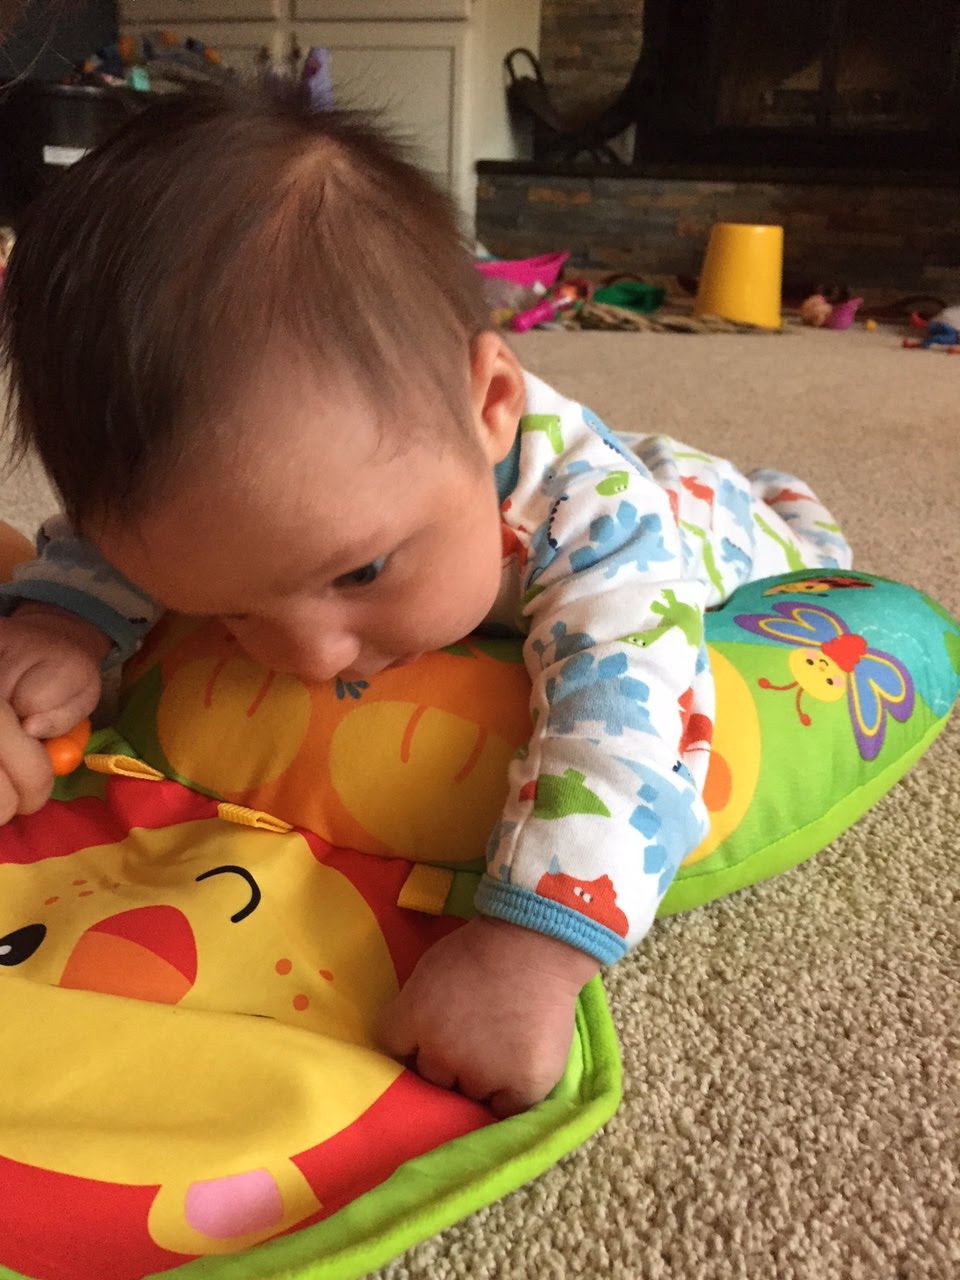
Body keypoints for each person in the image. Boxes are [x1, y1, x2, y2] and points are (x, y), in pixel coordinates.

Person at [0, 84, 850, 1116]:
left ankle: (777, 491)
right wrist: (58, 622)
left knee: (748, 527)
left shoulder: (597, 524)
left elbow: (644, 716)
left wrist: (533, 948)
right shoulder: (275, 500)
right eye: (226, 609)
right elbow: (124, 541)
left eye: (360, 573)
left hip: (719, 521)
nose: (310, 657)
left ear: (489, 404)